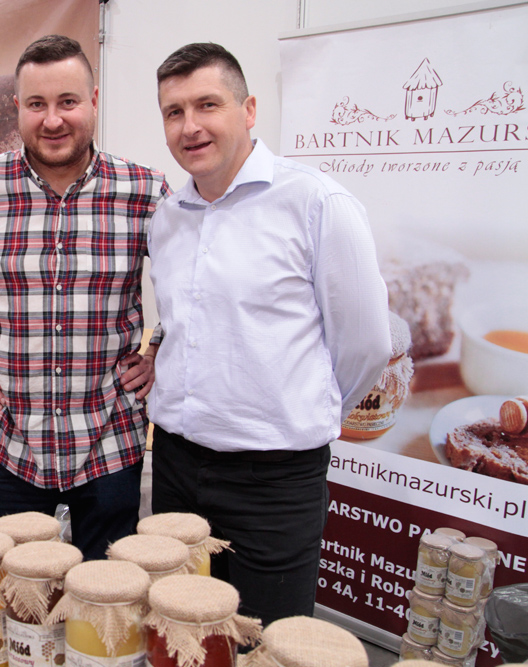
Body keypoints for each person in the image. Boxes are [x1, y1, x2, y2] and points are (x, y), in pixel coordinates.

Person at [0, 35, 169, 560]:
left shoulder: (144, 191)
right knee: (6, 593)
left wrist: (161, 349)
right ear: (18, 107)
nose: (53, 120)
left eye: (68, 102)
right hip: (10, 444)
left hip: (110, 441)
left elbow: (195, 281)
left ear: (93, 101)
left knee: (106, 596)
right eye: (37, 104)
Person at [145, 43, 391, 625]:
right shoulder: (168, 217)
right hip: (176, 464)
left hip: (273, 480)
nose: (190, 126)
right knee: (182, 635)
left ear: (249, 109)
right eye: (174, 112)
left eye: (208, 104)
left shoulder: (315, 202)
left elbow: (366, 345)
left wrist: (301, 411)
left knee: (267, 641)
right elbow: (184, 321)